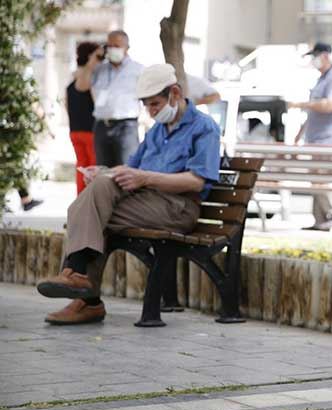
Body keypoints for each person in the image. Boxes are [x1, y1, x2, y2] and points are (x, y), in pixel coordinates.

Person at [36, 64, 221, 325]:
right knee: (97, 193)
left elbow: (196, 181)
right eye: (146, 106)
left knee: (89, 211)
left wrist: (145, 178)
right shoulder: (157, 130)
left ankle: (83, 292)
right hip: (146, 203)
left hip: (178, 208)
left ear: (175, 93)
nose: (151, 111)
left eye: (155, 104)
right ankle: (80, 286)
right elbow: (131, 168)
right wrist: (102, 171)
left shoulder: (204, 127)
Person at [288, 42, 332, 232]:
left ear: (325, 56)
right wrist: (299, 136)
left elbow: (331, 105)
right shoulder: (321, 79)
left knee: (319, 179)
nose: (313, 61)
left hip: (330, 138)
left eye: (315, 56)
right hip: (316, 138)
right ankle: (320, 221)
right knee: (316, 179)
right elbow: (313, 114)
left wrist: (301, 104)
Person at [77, 30, 143, 167]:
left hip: (126, 126)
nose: (113, 49)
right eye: (110, 45)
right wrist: (91, 62)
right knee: (103, 171)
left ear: (127, 48)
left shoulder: (138, 69)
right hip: (102, 125)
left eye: (117, 46)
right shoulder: (98, 68)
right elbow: (81, 86)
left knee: (127, 169)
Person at [67, 41, 100, 194]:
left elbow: (66, 106)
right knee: (92, 167)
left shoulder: (71, 80)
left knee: (82, 166)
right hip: (89, 131)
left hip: (75, 130)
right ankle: (87, 200)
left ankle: (80, 200)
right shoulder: (85, 77)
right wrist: (93, 60)